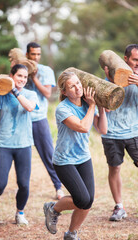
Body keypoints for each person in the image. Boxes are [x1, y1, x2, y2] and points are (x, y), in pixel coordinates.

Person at [43, 71, 107, 240]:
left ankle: (71, 233)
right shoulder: (63, 109)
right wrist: (92, 106)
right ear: (64, 92)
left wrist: (100, 106)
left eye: (78, 83)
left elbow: (103, 130)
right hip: (64, 160)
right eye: (72, 86)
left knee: (88, 201)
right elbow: (83, 127)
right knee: (82, 199)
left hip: (83, 157)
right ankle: (53, 208)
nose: (78, 88)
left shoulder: (87, 104)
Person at [0, 64, 39, 225]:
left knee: (24, 184)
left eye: (25, 77)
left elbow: (28, 107)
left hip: (24, 145)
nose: (22, 79)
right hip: (4, 144)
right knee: (0, 184)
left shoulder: (30, 94)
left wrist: (14, 90)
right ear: (11, 76)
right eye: (19, 75)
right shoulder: (2, 95)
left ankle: (20, 213)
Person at [101, 44, 138, 221]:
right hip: (112, 133)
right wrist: (110, 80)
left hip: (135, 131)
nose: (137, 63)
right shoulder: (109, 78)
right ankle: (119, 207)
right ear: (125, 59)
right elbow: (105, 107)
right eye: (135, 60)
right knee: (114, 168)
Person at [25, 42, 64, 200]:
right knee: (22, 155)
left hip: (38, 118)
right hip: (23, 120)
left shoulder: (46, 71)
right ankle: (22, 190)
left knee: (48, 154)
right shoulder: (21, 70)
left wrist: (34, 79)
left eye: (38, 54)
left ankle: (58, 187)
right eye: (33, 54)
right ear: (27, 54)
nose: (35, 57)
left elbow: (48, 93)